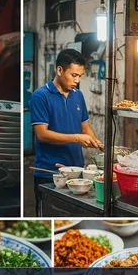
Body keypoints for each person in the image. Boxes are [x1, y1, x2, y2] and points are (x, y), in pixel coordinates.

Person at [31, 49, 103, 214]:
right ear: (59, 70)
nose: (77, 81)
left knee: (72, 216)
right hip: (49, 173)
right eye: (74, 75)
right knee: (50, 217)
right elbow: (42, 134)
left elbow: (85, 127)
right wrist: (77, 138)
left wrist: (98, 144)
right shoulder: (40, 96)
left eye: (80, 76)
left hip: (77, 172)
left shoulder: (78, 96)